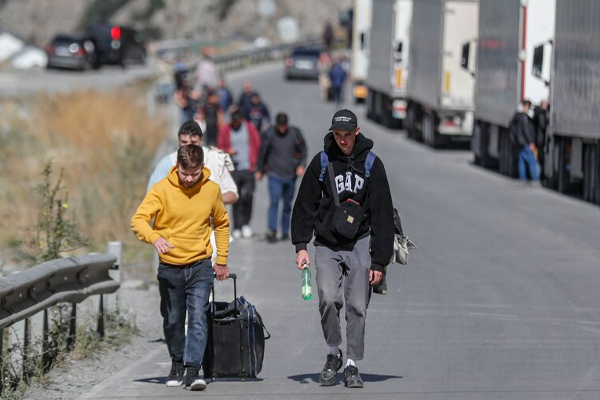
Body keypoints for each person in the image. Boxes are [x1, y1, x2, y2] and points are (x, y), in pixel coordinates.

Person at [291, 109, 394, 389]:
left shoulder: (372, 164)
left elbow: (383, 214)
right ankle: (333, 352)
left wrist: (379, 262)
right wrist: (301, 245)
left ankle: (351, 364)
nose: (342, 141)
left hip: (360, 241)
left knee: (357, 305)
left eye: (347, 135)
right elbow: (305, 204)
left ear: (357, 132)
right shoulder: (322, 162)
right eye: (337, 135)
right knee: (327, 297)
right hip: (327, 242)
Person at [131, 144, 230, 391]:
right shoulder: (162, 189)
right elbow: (138, 220)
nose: (189, 179)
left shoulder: (211, 190)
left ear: (201, 169)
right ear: (177, 166)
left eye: (194, 174)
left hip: (200, 265)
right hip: (170, 267)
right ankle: (177, 361)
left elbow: (221, 223)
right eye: (185, 173)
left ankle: (193, 369)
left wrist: (222, 260)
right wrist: (155, 238)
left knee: (198, 315)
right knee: (173, 319)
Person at [147, 120, 238, 205]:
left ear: (201, 140)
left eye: (193, 142)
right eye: (184, 142)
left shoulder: (213, 159)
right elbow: (152, 196)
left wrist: (210, 201)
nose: (189, 145)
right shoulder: (167, 163)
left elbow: (232, 194)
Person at [257, 112, 307, 242]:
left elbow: (303, 150)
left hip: (291, 175)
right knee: (274, 201)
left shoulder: (295, 133)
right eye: (280, 126)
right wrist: (260, 170)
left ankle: (285, 231)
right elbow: (263, 151)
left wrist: (301, 165)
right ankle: (272, 229)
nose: (282, 129)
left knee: (287, 204)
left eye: (284, 126)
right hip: (274, 174)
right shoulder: (270, 134)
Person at [218, 109, 261, 239]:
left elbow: (257, 143)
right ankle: (237, 226)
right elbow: (220, 147)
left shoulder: (249, 128)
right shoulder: (226, 130)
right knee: (235, 197)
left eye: (238, 122)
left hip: (248, 168)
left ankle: (246, 224)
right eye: (234, 122)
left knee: (248, 196)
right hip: (233, 170)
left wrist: (256, 163)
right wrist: (228, 151)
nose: (236, 124)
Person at [509, 100, 539, 184]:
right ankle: (534, 179)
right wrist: (531, 142)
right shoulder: (524, 118)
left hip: (519, 142)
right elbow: (526, 131)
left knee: (521, 160)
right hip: (525, 142)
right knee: (532, 160)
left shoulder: (517, 116)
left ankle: (522, 178)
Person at [532, 100, 549, 180]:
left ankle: (537, 176)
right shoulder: (541, 114)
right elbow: (542, 126)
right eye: (545, 105)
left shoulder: (537, 114)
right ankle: (538, 177)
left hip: (537, 140)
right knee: (539, 158)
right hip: (540, 141)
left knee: (537, 158)